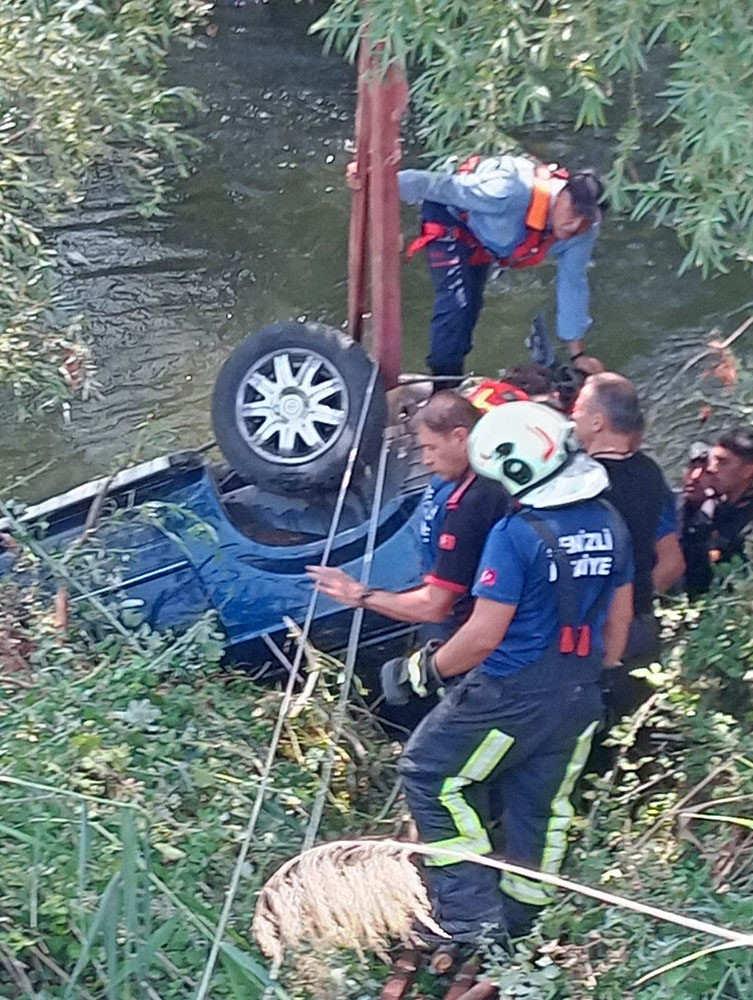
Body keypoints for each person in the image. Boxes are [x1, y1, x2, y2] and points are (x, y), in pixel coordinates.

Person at [382, 401, 634, 943]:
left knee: (431, 773)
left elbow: (482, 635)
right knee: (540, 804)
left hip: (509, 692)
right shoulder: (611, 524)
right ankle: (524, 921)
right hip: (580, 693)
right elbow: (618, 627)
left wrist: (421, 671)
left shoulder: (516, 535)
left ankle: (468, 917)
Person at [306, 390, 510, 644]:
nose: (425, 460)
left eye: (431, 448)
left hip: (467, 627)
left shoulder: (475, 500)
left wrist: (359, 594)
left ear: (460, 436)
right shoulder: (451, 482)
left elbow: (435, 606)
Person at [398, 154, 606, 383]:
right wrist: (374, 182)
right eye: (574, 212)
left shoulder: (583, 232)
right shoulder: (507, 191)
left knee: (471, 311)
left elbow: (573, 284)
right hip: (452, 219)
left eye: (584, 220)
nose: (574, 225)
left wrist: (578, 354)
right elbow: (432, 185)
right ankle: (443, 389)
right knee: (458, 307)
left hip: (487, 241)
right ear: (562, 193)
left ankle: (451, 380)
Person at [571, 373, 685, 716]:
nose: (572, 416)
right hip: (641, 622)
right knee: (629, 724)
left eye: (577, 409)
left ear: (598, 421)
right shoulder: (649, 471)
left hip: (593, 631)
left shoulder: (582, 481)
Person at [680, 428, 753, 596]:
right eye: (712, 460)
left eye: (722, 462)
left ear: (747, 471)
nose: (711, 468)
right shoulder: (709, 507)